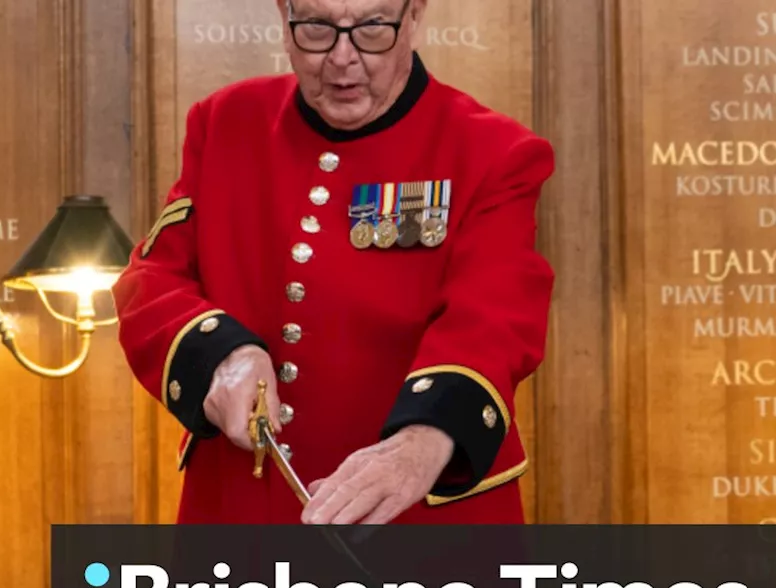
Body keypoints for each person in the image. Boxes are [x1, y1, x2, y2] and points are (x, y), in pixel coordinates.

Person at [111, 0, 555, 525]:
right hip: (244, 513)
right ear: (284, 15)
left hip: (421, 521)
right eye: (318, 28)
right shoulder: (225, 122)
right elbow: (152, 278)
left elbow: (496, 317)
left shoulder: (494, 151)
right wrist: (220, 354)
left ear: (414, 15)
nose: (343, 58)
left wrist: (422, 442)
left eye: (372, 28)